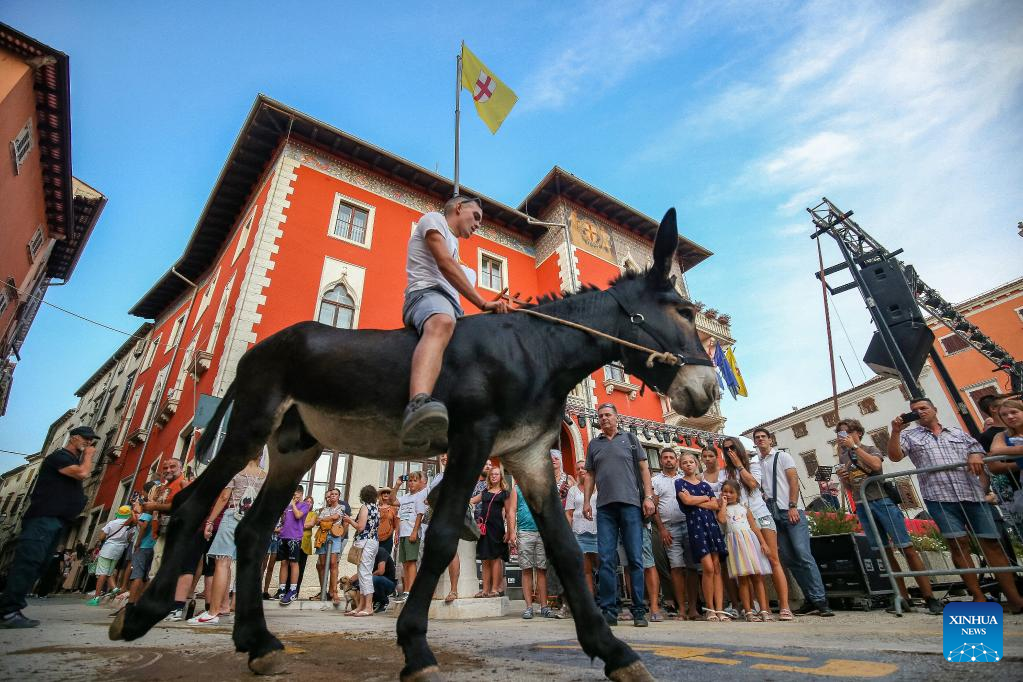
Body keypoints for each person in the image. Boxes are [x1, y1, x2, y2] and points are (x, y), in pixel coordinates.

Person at [890, 398, 1023, 611]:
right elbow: (895, 456)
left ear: (935, 409)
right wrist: (896, 431)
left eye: (923, 408)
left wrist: (974, 455)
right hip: (939, 496)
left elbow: (978, 449)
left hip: (970, 492)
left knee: (992, 544)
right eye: (914, 410)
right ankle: (978, 597)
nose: (919, 412)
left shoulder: (957, 433)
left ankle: (1014, 597)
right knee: (957, 545)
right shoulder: (909, 435)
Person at [399, 195, 509, 451]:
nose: (479, 224)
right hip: (425, 296)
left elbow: (455, 279)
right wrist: (482, 303)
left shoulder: (457, 249)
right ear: (459, 208)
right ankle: (417, 404)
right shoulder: (433, 220)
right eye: (476, 216)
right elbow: (445, 264)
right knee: (442, 322)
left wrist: (490, 304)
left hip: (451, 306)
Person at [834, 418, 941, 615]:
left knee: (906, 548)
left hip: (881, 500)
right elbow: (851, 486)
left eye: (846, 432)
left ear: (857, 432)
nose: (843, 437)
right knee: (884, 552)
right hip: (862, 504)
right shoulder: (843, 458)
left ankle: (929, 597)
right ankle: (902, 596)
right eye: (840, 434)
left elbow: (875, 465)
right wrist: (844, 480)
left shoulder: (869, 448)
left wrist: (855, 447)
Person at [0, 426, 97, 628]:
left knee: (40, 564)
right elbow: (83, 473)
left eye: (91, 440)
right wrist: (88, 456)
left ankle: (12, 607)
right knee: (29, 561)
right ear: (74, 437)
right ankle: (7, 612)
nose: (89, 443)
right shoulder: (59, 457)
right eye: (86, 439)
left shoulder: (70, 459)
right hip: (43, 518)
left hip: (56, 520)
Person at [583, 402, 655, 628]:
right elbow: (590, 475)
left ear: (616, 417)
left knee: (635, 558)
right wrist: (586, 501)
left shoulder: (631, 440)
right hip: (605, 508)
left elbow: (644, 469)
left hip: (631, 505)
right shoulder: (594, 444)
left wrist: (648, 497)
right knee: (605, 559)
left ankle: (639, 611)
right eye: (601, 416)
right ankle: (609, 610)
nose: (604, 419)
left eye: (608, 415)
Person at [752, 427, 833, 617]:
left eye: (763, 437)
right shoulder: (758, 463)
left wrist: (793, 505)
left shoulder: (782, 457)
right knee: (789, 558)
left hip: (789, 510)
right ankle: (810, 598)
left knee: (803, 554)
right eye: (757, 438)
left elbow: (793, 481)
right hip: (771, 513)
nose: (761, 440)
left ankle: (821, 600)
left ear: (770, 440)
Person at [189, 455, 265, 624]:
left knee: (222, 562)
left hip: (233, 516)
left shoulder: (235, 471)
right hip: (253, 521)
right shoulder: (265, 476)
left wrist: (210, 521)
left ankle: (213, 611)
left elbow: (224, 497)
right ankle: (226, 606)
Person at [721, 437, 790, 621]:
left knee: (773, 559)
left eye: (733, 447)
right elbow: (723, 496)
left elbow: (753, 485)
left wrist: (739, 466)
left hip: (760, 515)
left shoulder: (754, 465)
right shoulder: (724, 473)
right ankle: (753, 608)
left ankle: (784, 606)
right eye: (726, 449)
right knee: (748, 567)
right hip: (739, 520)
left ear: (740, 448)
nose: (730, 451)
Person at [676, 452, 727, 620]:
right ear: (680, 465)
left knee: (717, 567)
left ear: (697, 464)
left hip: (711, 525)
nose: (688, 464)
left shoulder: (705, 485)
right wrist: (706, 499)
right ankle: (709, 608)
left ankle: (719, 609)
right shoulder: (679, 482)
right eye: (685, 462)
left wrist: (699, 499)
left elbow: (715, 505)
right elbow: (687, 502)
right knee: (708, 568)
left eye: (691, 461)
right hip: (696, 527)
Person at [651, 447, 700, 620]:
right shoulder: (655, 481)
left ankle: (693, 608)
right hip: (669, 528)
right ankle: (681, 609)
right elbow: (654, 507)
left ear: (676, 459)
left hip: (689, 525)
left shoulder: (685, 478)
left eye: (672, 457)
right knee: (676, 568)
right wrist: (662, 529)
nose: (669, 460)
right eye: (665, 457)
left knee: (692, 568)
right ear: (661, 460)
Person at [717, 480, 772, 622]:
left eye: (731, 492)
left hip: (750, 543)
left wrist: (763, 543)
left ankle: (763, 610)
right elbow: (722, 520)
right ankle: (748, 611)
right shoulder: (722, 509)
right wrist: (722, 504)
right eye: (725, 492)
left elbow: (754, 527)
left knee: (757, 577)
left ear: (737, 494)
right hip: (734, 545)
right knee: (742, 579)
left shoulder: (744, 508)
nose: (728, 494)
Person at [700, 446, 739, 618]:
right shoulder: (700, 477)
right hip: (712, 521)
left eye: (711, 455)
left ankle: (744, 603)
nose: (708, 459)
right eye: (705, 456)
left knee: (737, 559)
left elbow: (734, 492)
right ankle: (728, 603)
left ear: (717, 457)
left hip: (732, 515)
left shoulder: (725, 474)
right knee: (720, 565)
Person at [470, 464, 514, 597]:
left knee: (495, 558)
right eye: (492, 474)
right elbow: (471, 501)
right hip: (484, 529)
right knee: (485, 559)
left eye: (496, 474)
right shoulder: (485, 492)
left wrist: (510, 531)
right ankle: (485, 589)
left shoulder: (505, 493)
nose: (494, 476)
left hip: (497, 528)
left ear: (501, 477)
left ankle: (495, 589)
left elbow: (509, 512)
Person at [514, 482, 551, 619]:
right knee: (526, 569)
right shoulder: (517, 489)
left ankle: (544, 607)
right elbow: (511, 510)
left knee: (542, 569)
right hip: (524, 532)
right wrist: (512, 532)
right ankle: (529, 607)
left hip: (542, 532)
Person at [344, 485, 380, 617]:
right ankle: (361, 606)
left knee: (364, 574)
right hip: (373, 541)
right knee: (363, 573)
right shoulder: (376, 507)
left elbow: (360, 527)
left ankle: (368, 606)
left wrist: (349, 520)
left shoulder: (365, 507)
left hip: (365, 542)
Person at [88, 506, 136, 605]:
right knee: (109, 571)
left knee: (102, 572)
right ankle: (114, 588)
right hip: (119, 550)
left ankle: (96, 597)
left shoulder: (112, 523)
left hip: (108, 549)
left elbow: (101, 537)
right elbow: (129, 538)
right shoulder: (129, 525)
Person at [565, 460, 599, 596]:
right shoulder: (573, 490)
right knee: (586, 569)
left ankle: (606, 600)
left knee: (603, 566)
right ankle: (590, 600)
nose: (581, 470)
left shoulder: (599, 487)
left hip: (598, 531)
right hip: (579, 532)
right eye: (578, 468)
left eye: (583, 467)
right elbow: (568, 513)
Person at [394, 471, 427, 599]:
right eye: (410, 480)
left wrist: (414, 531)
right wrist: (397, 485)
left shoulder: (419, 496)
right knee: (405, 563)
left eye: (415, 480)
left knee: (412, 561)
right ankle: (407, 589)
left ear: (420, 483)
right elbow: (392, 500)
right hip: (403, 533)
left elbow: (420, 514)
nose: (411, 483)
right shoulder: (405, 497)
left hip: (411, 532)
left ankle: (411, 590)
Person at [314, 488, 350, 605]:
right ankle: (323, 590)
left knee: (333, 564)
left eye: (335, 494)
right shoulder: (325, 509)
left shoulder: (341, 507)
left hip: (334, 537)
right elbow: (317, 522)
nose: (333, 496)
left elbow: (335, 517)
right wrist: (324, 520)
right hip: (323, 536)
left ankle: (334, 592)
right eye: (331, 494)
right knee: (323, 565)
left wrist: (324, 519)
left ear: (338, 496)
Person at [277, 487, 311, 606]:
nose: (293, 496)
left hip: (294, 538)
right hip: (283, 537)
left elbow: (298, 516)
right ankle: (281, 590)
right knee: (283, 562)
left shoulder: (304, 505)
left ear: (301, 494)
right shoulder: (288, 506)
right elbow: (284, 520)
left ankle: (292, 590)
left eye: (295, 494)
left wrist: (293, 504)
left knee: (293, 563)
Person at [371, 542, 397, 613]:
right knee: (356, 582)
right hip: (376, 580)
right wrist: (350, 581)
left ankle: (383, 601)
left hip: (389, 583)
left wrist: (366, 577)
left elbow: (380, 571)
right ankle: (374, 600)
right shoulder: (365, 554)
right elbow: (360, 573)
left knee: (374, 579)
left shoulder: (381, 551)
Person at [377, 487, 397, 556]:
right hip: (374, 538)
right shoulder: (375, 508)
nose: (386, 494)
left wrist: (395, 536)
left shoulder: (393, 509)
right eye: (384, 492)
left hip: (388, 538)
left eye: (388, 493)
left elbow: (396, 525)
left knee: (384, 560)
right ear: (381, 495)